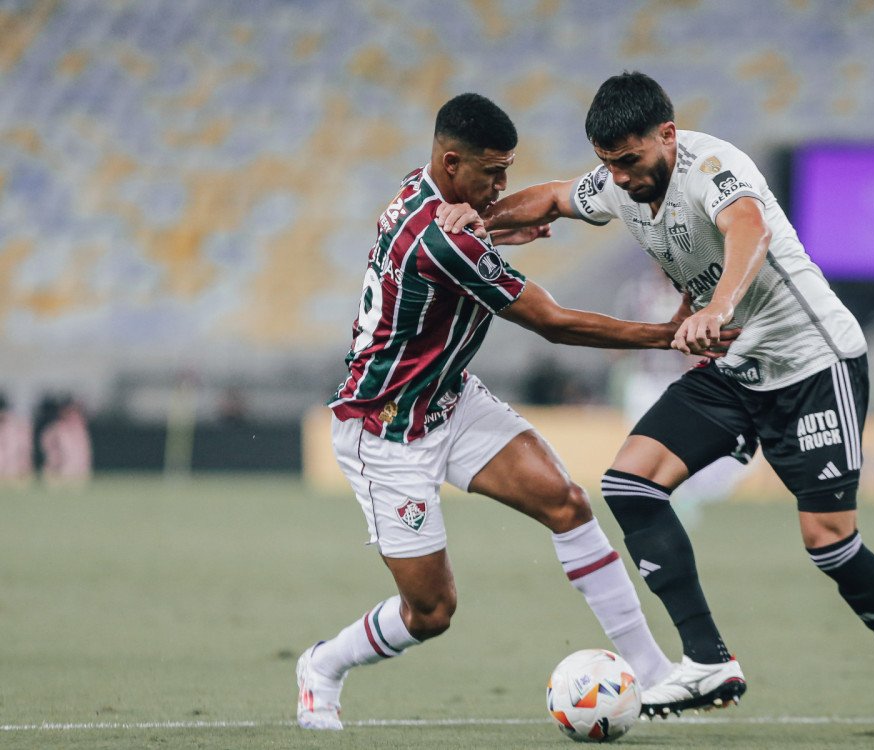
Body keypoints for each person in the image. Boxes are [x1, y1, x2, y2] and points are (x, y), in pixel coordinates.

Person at [438, 72, 874, 743]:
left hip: (812, 364)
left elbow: (750, 228)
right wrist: (478, 220)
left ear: (667, 136)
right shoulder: (621, 184)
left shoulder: (714, 168)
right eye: (608, 163)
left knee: (829, 543)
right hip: (732, 365)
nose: (618, 177)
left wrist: (719, 306)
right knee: (629, 484)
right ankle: (707, 661)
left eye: (630, 160)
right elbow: (555, 198)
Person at [296, 93, 735, 731]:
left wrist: (501, 224)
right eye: (492, 174)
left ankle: (655, 674)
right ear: (451, 163)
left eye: (507, 171)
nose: (502, 187)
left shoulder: (424, 195)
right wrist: (666, 334)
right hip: (386, 429)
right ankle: (322, 665)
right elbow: (554, 323)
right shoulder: (447, 244)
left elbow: (457, 241)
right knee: (431, 612)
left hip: (450, 399)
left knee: (568, 503)